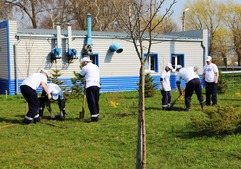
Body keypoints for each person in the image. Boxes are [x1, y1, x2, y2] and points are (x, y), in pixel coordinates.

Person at [79, 57, 100, 122]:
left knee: (91, 101)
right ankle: (96, 115)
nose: (82, 64)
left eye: (82, 63)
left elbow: (81, 75)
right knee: (96, 101)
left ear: (85, 62)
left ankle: (94, 118)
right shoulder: (96, 66)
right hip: (97, 85)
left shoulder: (85, 67)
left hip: (90, 85)